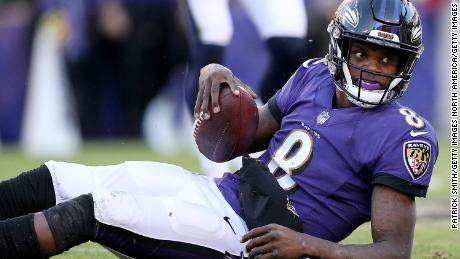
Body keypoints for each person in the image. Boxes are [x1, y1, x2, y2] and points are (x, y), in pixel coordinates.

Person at [0, 0, 438, 258]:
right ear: (342, 47)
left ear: (406, 65)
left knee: (95, 208)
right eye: (364, 53)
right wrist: (218, 78)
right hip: (218, 194)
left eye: (388, 59)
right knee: (59, 177)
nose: (374, 69)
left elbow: (394, 252)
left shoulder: (403, 135)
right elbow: (247, 135)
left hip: (247, 239)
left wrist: (308, 246)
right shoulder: (313, 75)